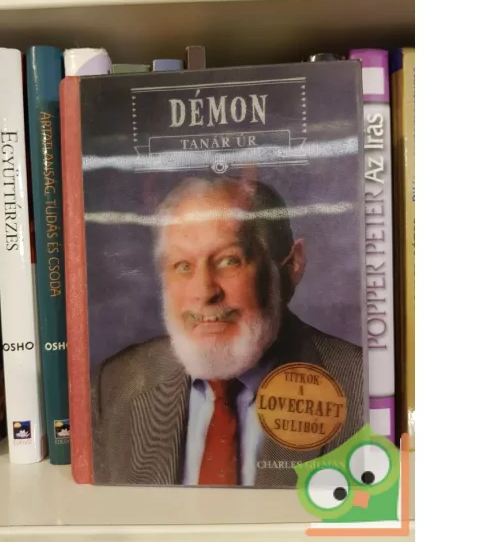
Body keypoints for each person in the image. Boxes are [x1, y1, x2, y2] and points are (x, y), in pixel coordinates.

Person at [91, 176, 365, 487]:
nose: (204, 292)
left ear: (291, 268)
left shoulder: (361, 388)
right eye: (183, 266)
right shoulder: (113, 386)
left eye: (228, 261)